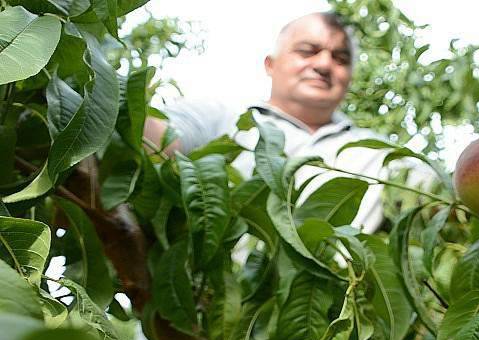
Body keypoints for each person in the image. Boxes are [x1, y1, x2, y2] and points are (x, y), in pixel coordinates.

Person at [144, 12, 400, 232]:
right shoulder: (222, 117)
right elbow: (151, 139)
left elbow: (431, 200)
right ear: (270, 64)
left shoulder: (379, 153)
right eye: (307, 51)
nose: (324, 64)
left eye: (340, 59)